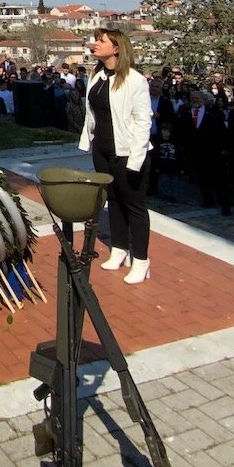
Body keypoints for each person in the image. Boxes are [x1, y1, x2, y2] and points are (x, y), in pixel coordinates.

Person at [78, 28, 152, 284]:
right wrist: (89, 142)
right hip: (102, 150)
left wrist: (135, 159)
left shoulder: (135, 80)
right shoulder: (96, 76)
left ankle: (141, 260)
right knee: (114, 201)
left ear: (117, 48)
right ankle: (119, 249)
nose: (94, 44)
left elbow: (144, 122)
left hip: (127, 152)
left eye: (100, 41)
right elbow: (92, 115)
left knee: (134, 205)